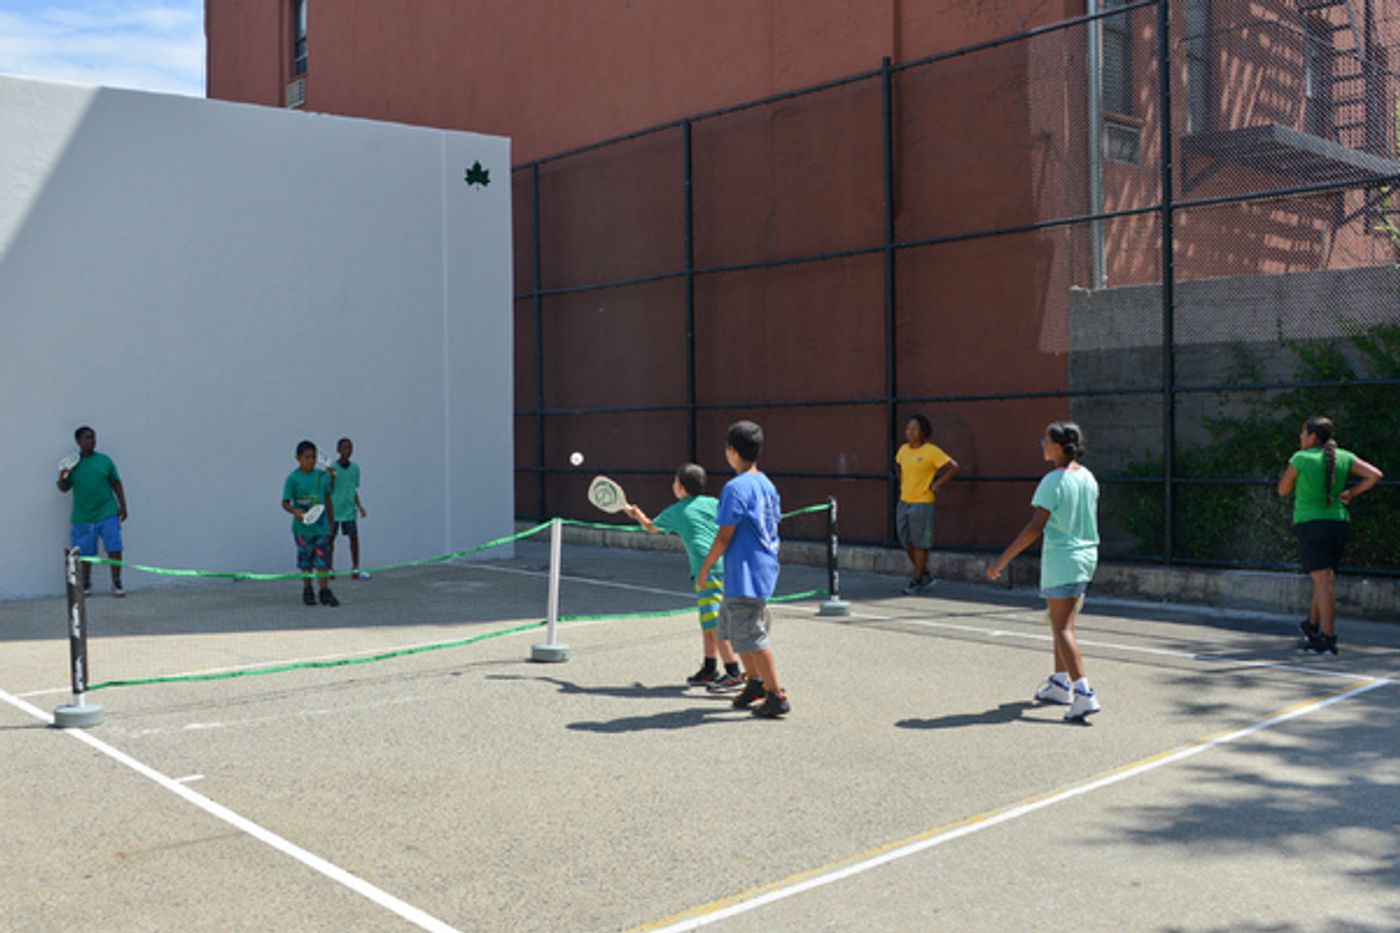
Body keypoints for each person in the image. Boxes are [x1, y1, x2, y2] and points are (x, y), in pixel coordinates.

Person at [986, 421, 1101, 722]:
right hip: (1085, 559)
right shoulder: (1087, 477)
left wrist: (1001, 561)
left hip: (1063, 561)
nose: (1042, 445)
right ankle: (1060, 684)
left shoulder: (1053, 481)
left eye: (1045, 441)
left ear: (1059, 447)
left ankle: (1084, 694)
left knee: (1063, 628)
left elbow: (1035, 527)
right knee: (1061, 623)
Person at [624, 463, 744, 690]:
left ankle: (734, 673)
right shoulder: (714, 503)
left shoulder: (677, 511)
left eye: (675, 481)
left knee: (715, 623)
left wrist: (636, 514)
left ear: (680, 486)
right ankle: (709, 669)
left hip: (708, 572)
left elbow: (651, 527)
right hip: (726, 567)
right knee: (708, 621)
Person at [698, 420, 788, 718]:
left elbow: (725, 535)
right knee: (735, 631)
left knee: (753, 636)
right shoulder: (767, 484)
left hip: (747, 573)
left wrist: (705, 568)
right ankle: (756, 684)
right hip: (756, 569)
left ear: (732, 451)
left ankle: (776, 695)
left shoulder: (735, 488)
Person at [1276, 416, 1383, 656]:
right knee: (1324, 579)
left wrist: (1300, 481)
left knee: (1323, 580)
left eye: (1303, 433)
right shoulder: (1343, 456)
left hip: (1312, 524)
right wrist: (1351, 493)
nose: (1300, 437)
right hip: (1339, 523)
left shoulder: (1301, 458)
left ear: (1313, 437)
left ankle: (1327, 638)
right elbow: (1375, 475)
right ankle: (1312, 625)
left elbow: (1283, 489)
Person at [56, 425, 128, 597]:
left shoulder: (105, 461)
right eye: (87, 438)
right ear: (78, 441)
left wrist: (123, 506)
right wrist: (63, 476)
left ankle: (117, 582)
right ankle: (86, 584)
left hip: (107, 512)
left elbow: (116, 483)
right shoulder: (72, 464)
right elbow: (63, 488)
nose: (92, 441)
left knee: (114, 548)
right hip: (83, 516)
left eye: (93, 437)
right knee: (85, 553)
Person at [894, 414, 959, 594]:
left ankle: (917, 580)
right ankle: (925, 574)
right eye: (908, 428)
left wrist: (938, 484)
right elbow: (897, 464)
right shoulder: (903, 450)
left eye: (914, 429)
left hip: (923, 501)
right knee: (904, 539)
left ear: (923, 432)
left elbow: (954, 467)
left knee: (920, 542)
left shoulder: (931, 451)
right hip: (904, 500)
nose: (910, 432)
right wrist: (902, 481)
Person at [282, 440, 338, 607]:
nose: (311, 461)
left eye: (313, 457)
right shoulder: (292, 478)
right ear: (298, 458)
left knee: (322, 560)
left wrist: (331, 520)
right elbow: (285, 503)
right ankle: (308, 589)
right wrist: (296, 512)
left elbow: (328, 495)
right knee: (306, 560)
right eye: (307, 457)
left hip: (321, 527)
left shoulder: (321, 475)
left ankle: (324, 590)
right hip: (303, 529)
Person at [328, 437, 370, 580]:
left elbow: (353, 489)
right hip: (334, 510)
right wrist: (332, 478)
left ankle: (355, 567)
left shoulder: (355, 469)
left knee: (353, 538)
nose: (347, 451)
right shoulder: (332, 468)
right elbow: (328, 488)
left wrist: (360, 506)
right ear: (338, 450)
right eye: (344, 448)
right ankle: (329, 568)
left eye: (350, 448)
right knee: (330, 539)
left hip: (349, 510)